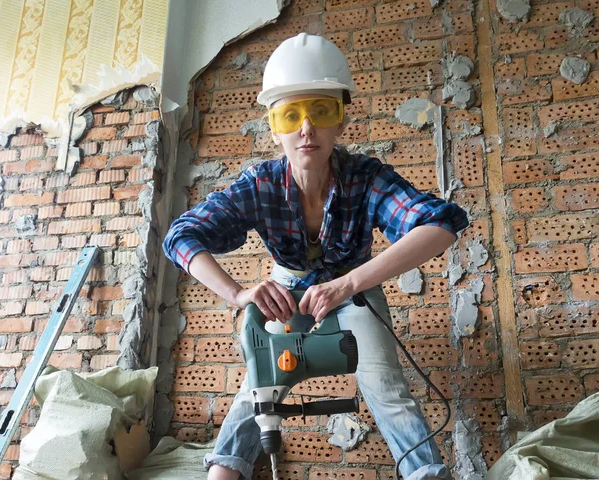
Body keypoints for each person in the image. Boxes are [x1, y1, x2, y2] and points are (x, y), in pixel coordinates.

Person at [163, 33, 469, 480]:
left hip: (354, 288)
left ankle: (426, 474)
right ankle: (224, 473)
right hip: (286, 293)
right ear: (274, 126)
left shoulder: (367, 177)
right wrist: (238, 293)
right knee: (258, 388)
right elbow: (180, 235)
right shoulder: (259, 184)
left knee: (386, 388)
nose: (306, 129)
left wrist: (347, 284)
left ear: (340, 120)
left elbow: (441, 225)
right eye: (291, 115)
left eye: (321, 111)